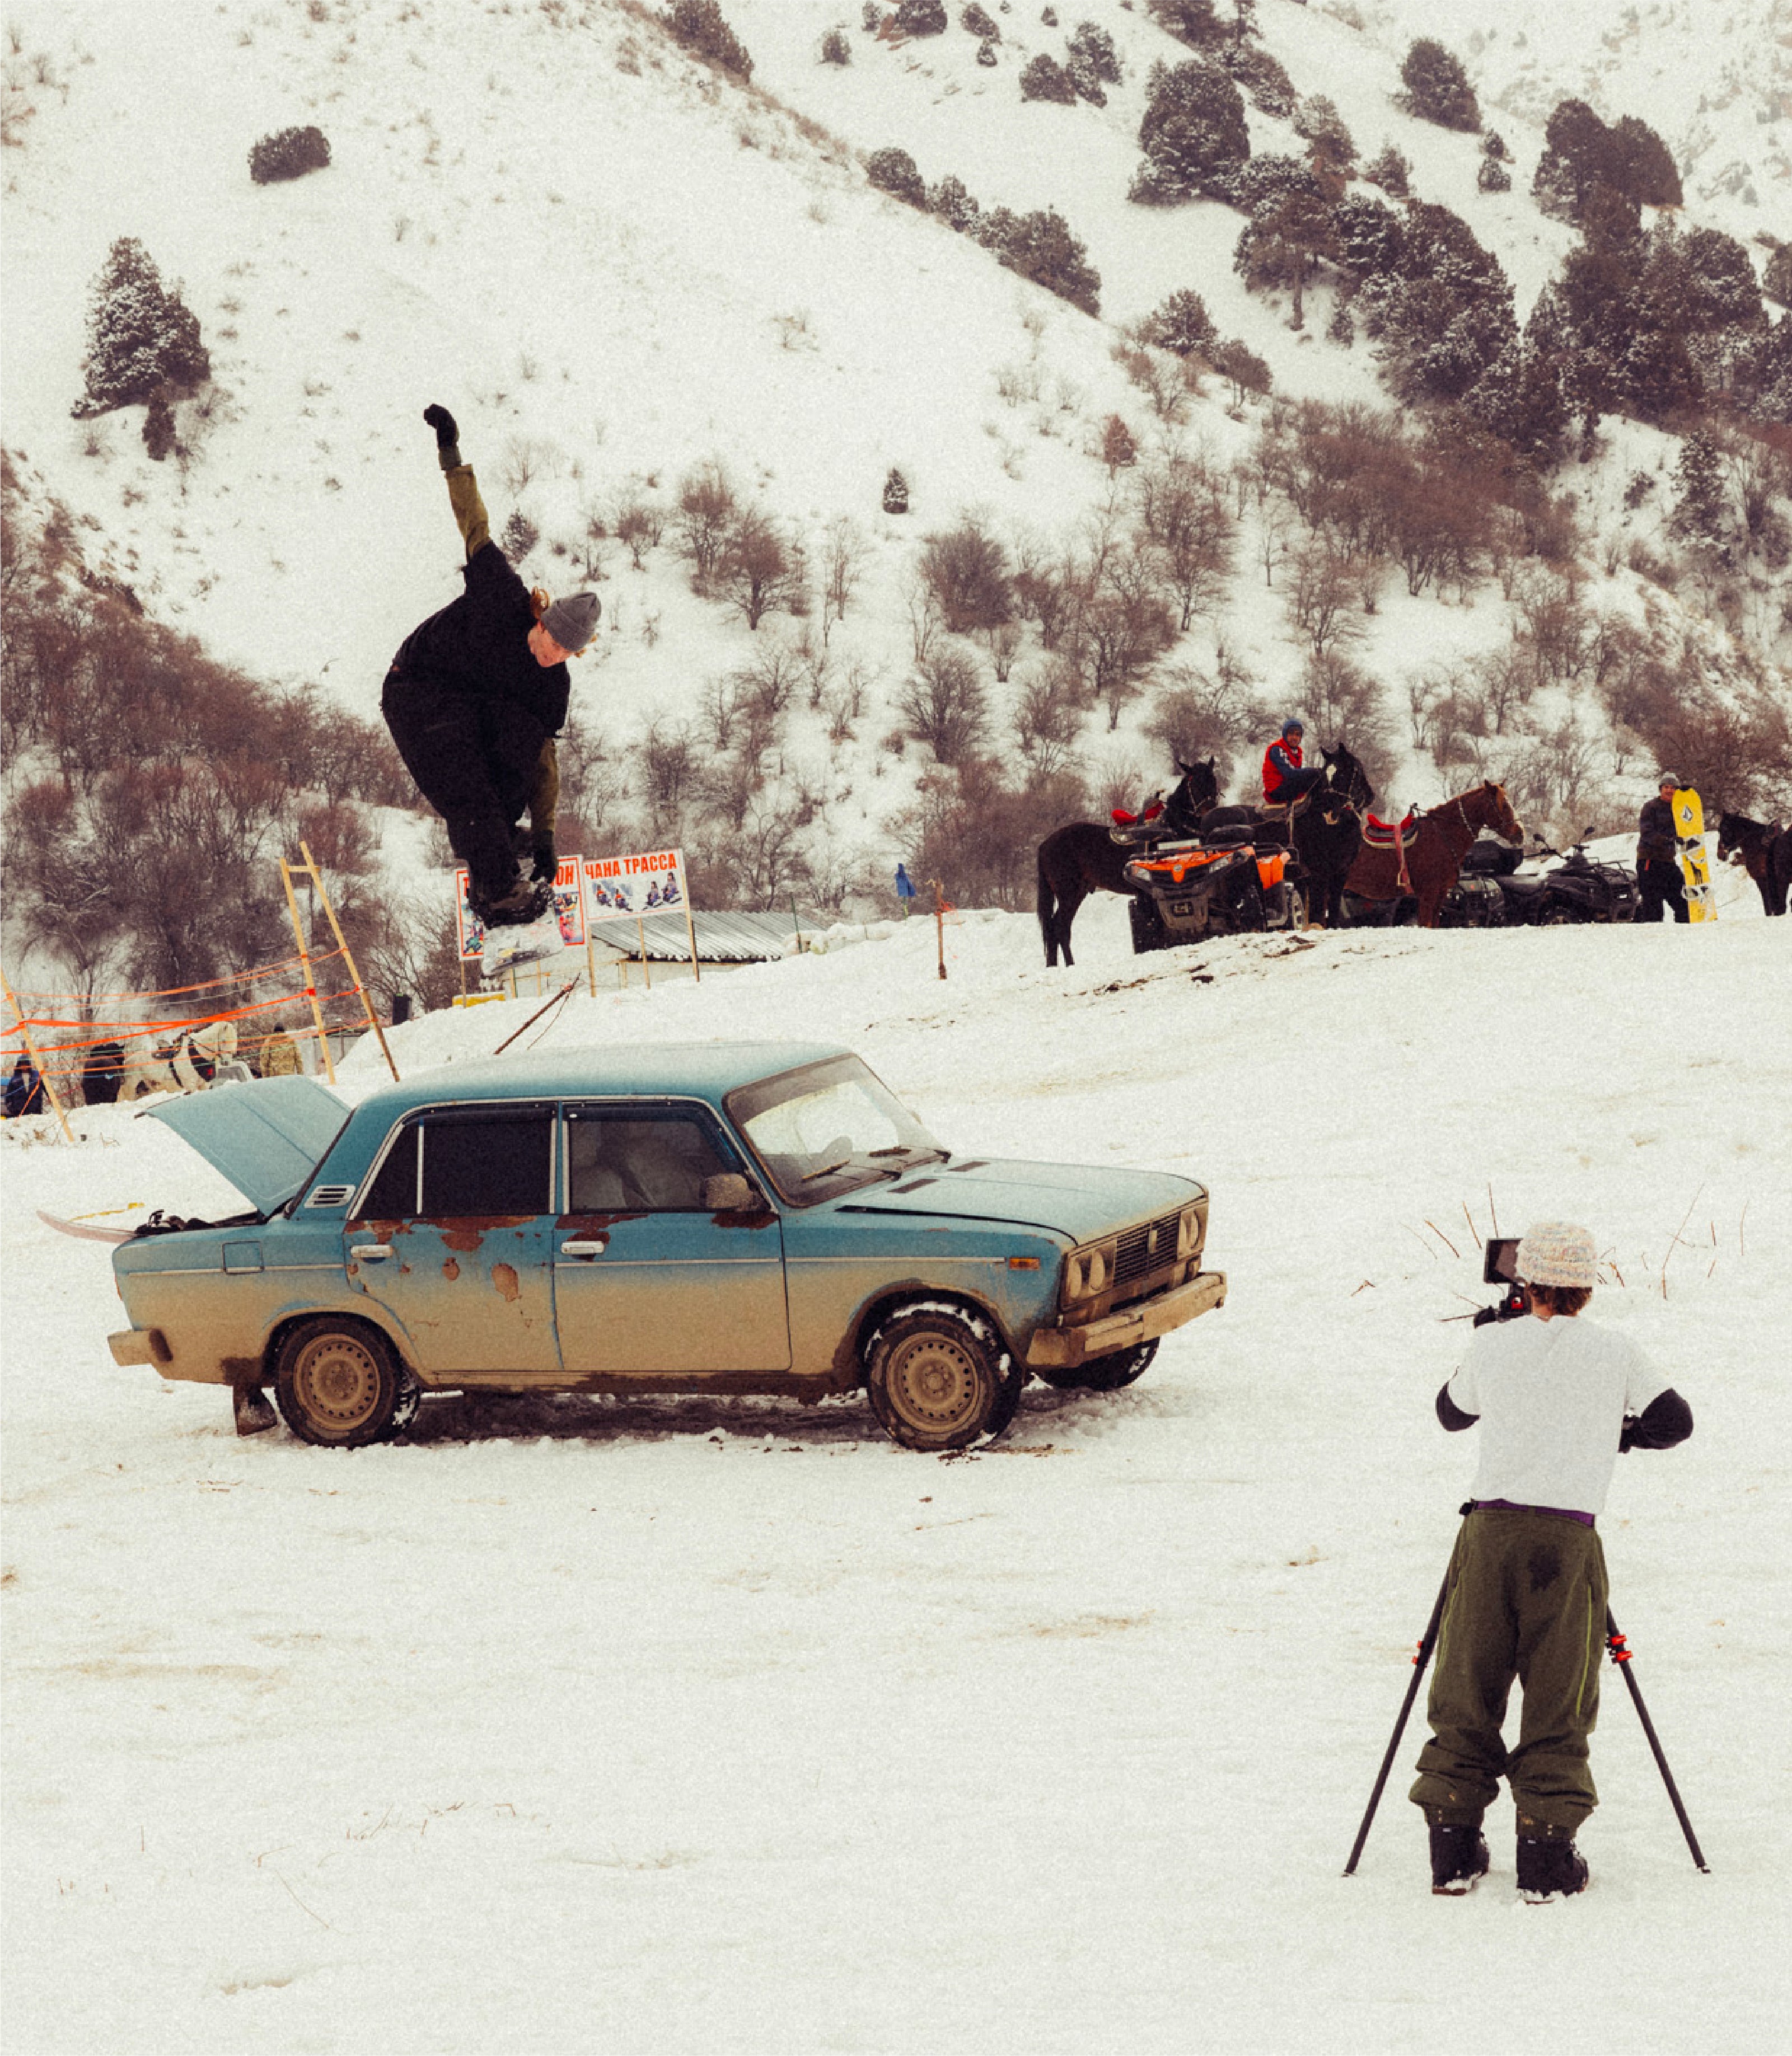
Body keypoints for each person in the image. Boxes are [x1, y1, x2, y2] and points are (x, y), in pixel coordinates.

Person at [1410, 1222, 1693, 1902]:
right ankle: (1545, 1853)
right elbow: (1674, 1422)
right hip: (1567, 1540)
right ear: (1587, 1289)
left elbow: (1451, 1414)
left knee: (1467, 1680)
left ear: (1524, 1282)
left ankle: (1451, 1845)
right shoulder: (1615, 1350)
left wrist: (1487, 1341)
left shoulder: (1491, 1341)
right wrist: (1611, 1436)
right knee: (1560, 1691)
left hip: (1489, 1533)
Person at [381, 404, 600, 927]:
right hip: (417, 686)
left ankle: (495, 862)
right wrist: (450, 452)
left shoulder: (552, 685)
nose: (552, 656)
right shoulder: (503, 594)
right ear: (542, 617)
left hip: (471, 707)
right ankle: (499, 887)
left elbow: (544, 762)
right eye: (550, 642)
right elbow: (473, 522)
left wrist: (544, 833)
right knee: (470, 780)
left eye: (565, 654)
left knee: (521, 746)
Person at [1634, 773, 1689, 924]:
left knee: (1683, 901)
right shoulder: (1650, 807)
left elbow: (1692, 821)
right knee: (1654, 907)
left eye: (1673, 788)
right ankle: (1653, 942)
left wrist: (1689, 795)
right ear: (1661, 789)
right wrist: (1668, 840)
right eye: (1666, 787)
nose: (1670, 791)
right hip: (1649, 862)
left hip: (1668, 862)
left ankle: (1684, 936)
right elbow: (1647, 833)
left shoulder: (1679, 809)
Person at [1261, 719, 1323, 808]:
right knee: (1314, 777)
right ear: (1285, 735)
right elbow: (1289, 773)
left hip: (1287, 786)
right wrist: (1313, 771)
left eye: (1298, 735)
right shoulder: (1277, 749)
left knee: (1319, 780)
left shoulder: (1297, 752)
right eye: (1291, 734)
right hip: (1275, 790)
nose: (1294, 738)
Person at [4, 1053, 43, 1119]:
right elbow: (9, 1095)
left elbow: (46, 1087)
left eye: (25, 1064)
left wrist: (50, 1097)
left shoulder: (37, 1076)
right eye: (22, 1064)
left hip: (35, 1109)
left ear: (29, 1064)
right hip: (19, 1111)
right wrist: (11, 1108)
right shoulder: (14, 1079)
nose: (24, 1066)